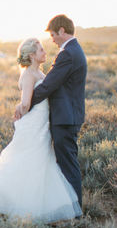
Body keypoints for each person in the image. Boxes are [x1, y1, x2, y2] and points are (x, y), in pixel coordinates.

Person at [0, 36, 82, 223]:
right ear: (32, 55)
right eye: (41, 50)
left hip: (43, 123)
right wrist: (20, 107)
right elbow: (26, 102)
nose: (45, 52)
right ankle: (20, 205)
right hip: (33, 124)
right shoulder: (28, 74)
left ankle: (39, 206)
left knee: (42, 162)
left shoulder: (40, 73)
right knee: (29, 160)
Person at [21, 14, 87, 208]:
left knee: (68, 165)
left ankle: (74, 210)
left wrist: (25, 105)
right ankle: (69, 207)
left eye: (53, 35)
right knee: (66, 163)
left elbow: (49, 85)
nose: (52, 40)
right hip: (68, 116)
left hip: (65, 118)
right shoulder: (75, 50)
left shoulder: (68, 53)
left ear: (61, 31)